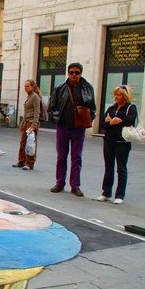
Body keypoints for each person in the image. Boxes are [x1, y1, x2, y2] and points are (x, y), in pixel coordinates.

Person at [48, 62, 96, 197]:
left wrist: (88, 119)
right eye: (71, 72)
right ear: (68, 73)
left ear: (81, 73)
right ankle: (60, 182)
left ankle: (75, 185)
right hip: (63, 126)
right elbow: (51, 107)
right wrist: (56, 118)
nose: (74, 75)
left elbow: (93, 107)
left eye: (77, 72)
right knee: (61, 156)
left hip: (79, 128)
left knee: (77, 157)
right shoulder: (60, 88)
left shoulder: (87, 88)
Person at [96, 85, 137, 204]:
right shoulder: (111, 108)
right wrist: (112, 122)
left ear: (125, 96)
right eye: (115, 94)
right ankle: (106, 192)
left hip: (122, 141)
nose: (116, 97)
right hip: (109, 140)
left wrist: (114, 121)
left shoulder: (131, 107)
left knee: (121, 168)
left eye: (119, 95)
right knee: (108, 167)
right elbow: (103, 123)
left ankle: (120, 195)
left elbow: (130, 120)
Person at [13, 80, 42, 171]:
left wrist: (34, 124)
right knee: (23, 142)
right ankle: (21, 160)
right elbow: (26, 112)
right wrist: (22, 122)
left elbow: (37, 111)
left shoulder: (35, 97)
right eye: (24, 86)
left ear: (32, 87)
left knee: (30, 143)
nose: (25, 88)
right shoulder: (29, 96)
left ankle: (29, 163)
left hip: (32, 122)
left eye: (27, 86)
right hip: (26, 121)